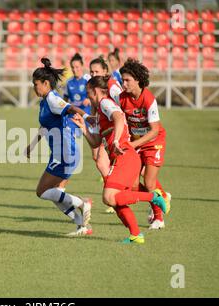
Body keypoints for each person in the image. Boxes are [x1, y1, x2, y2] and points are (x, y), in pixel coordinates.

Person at [72, 75, 166, 244]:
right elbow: (95, 141)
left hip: (126, 156)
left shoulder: (105, 103)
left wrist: (116, 140)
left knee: (109, 197)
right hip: (121, 158)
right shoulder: (101, 112)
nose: (88, 97)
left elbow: (118, 117)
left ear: (95, 91)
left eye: (88, 93)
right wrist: (83, 128)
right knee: (115, 200)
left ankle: (153, 197)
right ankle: (136, 235)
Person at [25, 57, 94, 237]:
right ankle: (81, 225)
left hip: (65, 152)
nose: (34, 88)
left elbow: (70, 108)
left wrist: (86, 118)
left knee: (42, 191)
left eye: (35, 84)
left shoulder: (53, 100)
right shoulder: (45, 102)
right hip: (59, 153)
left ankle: (81, 203)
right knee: (56, 192)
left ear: (46, 83)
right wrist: (31, 146)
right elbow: (45, 127)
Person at [119, 58, 171, 230]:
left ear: (138, 80)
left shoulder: (148, 99)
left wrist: (134, 145)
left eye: (127, 80)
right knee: (133, 186)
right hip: (136, 143)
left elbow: (155, 130)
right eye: (122, 79)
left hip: (153, 142)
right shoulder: (122, 98)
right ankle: (161, 196)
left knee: (149, 183)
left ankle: (158, 218)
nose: (123, 83)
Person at [88, 56, 124, 214]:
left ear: (105, 71)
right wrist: (93, 126)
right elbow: (95, 107)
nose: (94, 74)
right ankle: (112, 195)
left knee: (140, 173)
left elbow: (123, 107)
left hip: (118, 131)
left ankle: (158, 196)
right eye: (91, 71)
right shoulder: (93, 85)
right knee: (100, 162)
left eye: (97, 71)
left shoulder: (112, 86)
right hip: (104, 130)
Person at [63, 53, 91, 136]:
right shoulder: (69, 82)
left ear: (82, 66)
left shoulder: (88, 79)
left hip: (86, 114)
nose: (74, 69)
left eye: (77, 67)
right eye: (72, 67)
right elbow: (65, 99)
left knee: (94, 143)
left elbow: (96, 95)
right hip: (73, 115)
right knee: (68, 137)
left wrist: (89, 99)